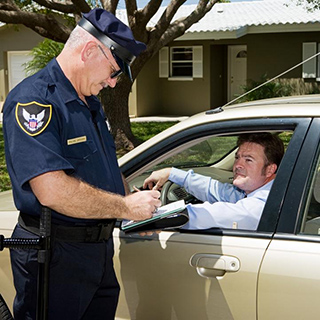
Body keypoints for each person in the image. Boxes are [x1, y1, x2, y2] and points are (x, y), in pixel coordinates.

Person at [3, 8, 161, 320]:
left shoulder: (89, 103)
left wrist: (130, 203)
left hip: (96, 252)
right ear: (90, 50)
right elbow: (52, 190)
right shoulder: (36, 101)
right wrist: (126, 208)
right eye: (114, 71)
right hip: (56, 257)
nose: (114, 84)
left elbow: (98, 169)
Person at [143, 133, 284, 231]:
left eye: (248, 160)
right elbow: (218, 191)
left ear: (270, 169)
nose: (237, 166)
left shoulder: (261, 205)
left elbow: (208, 215)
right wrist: (172, 173)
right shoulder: (266, 189)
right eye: (237, 158)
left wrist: (150, 212)